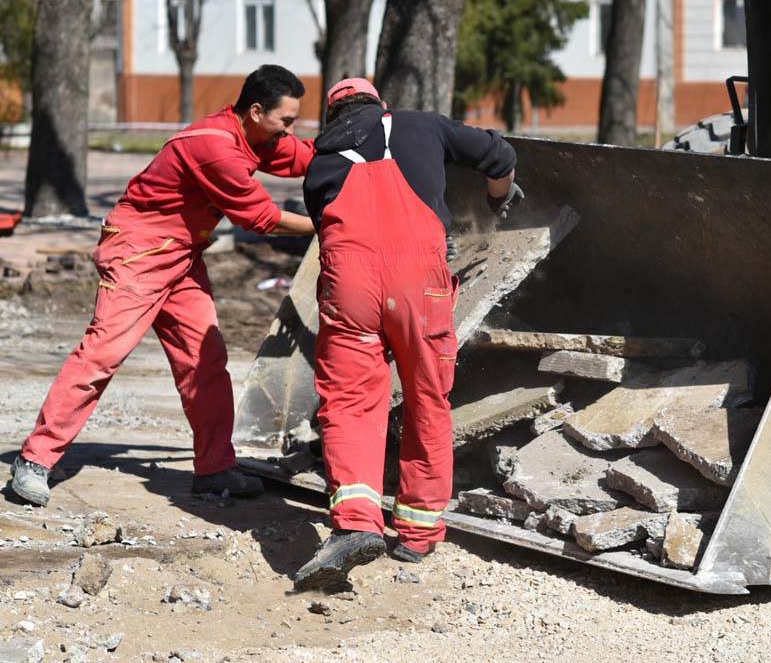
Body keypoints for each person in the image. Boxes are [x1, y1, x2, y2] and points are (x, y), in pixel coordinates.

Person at [9, 65, 317, 507]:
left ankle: (214, 468)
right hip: (139, 252)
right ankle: (35, 459)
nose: (290, 130)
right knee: (102, 355)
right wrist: (329, 225)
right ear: (255, 111)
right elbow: (261, 218)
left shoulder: (254, 136)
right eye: (285, 120)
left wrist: (364, 140)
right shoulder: (215, 147)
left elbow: (301, 157)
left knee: (205, 361)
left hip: (181, 255)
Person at [293, 78, 521, 590]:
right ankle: (416, 533)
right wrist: (496, 199)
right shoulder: (421, 125)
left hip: (347, 282)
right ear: (380, 105)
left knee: (349, 402)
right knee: (426, 397)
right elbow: (499, 156)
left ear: (333, 116)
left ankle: (355, 522)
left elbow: (327, 227)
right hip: (420, 281)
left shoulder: (321, 160)